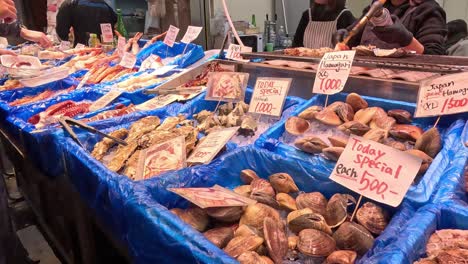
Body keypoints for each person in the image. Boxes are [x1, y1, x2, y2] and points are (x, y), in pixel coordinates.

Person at [334, 0, 447, 55]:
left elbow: (434, 57)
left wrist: (406, 39)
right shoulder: (375, 7)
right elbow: (352, 37)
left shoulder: (429, 10)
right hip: (366, 80)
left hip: (403, 89)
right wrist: (344, 38)